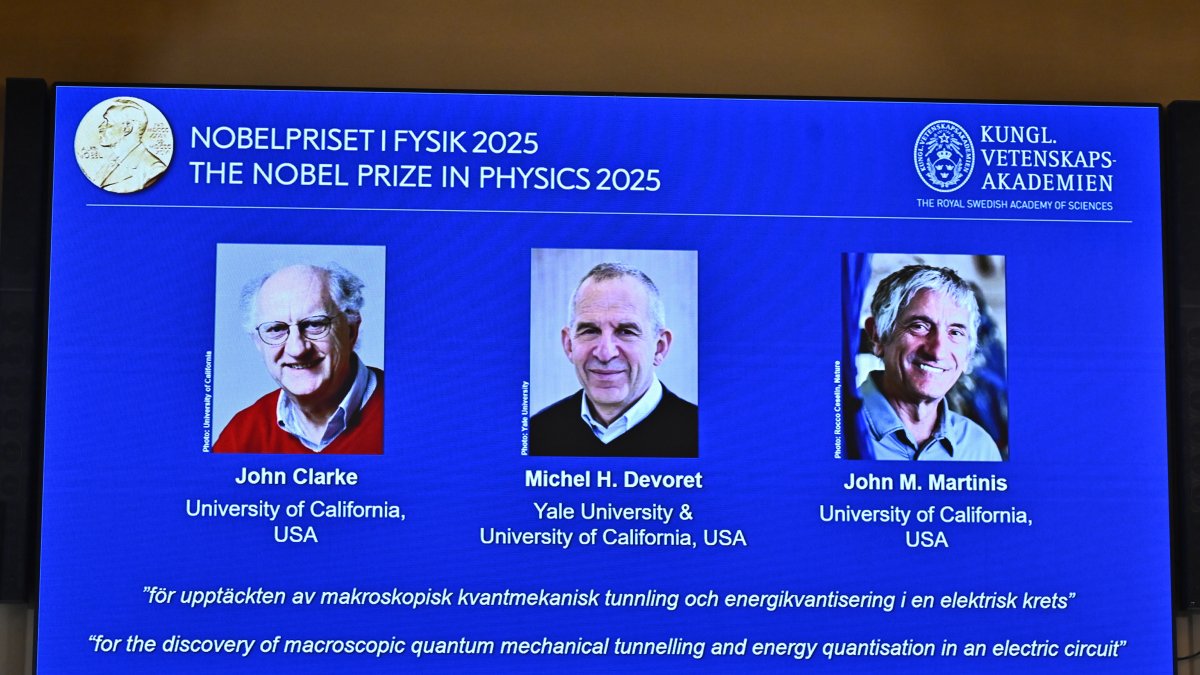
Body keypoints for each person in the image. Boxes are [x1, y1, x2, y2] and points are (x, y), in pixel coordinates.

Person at [530, 262, 697, 457]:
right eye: (590, 331)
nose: (605, 353)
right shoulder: (536, 435)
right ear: (569, 345)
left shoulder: (703, 435)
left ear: (659, 348)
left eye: (626, 331)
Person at [213, 263, 383, 454]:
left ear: (351, 330)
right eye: (276, 329)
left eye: (314, 324)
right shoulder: (241, 435)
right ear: (258, 343)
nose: (297, 349)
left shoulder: (406, 412)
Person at [851, 264, 1001, 461]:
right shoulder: (833, 431)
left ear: (967, 355)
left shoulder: (979, 448)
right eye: (919, 326)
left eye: (955, 332)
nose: (937, 351)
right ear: (877, 336)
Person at [93, 99, 167, 193]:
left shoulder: (153, 170)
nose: (100, 127)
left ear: (127, 128)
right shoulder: (111, 161)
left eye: (108, 123)